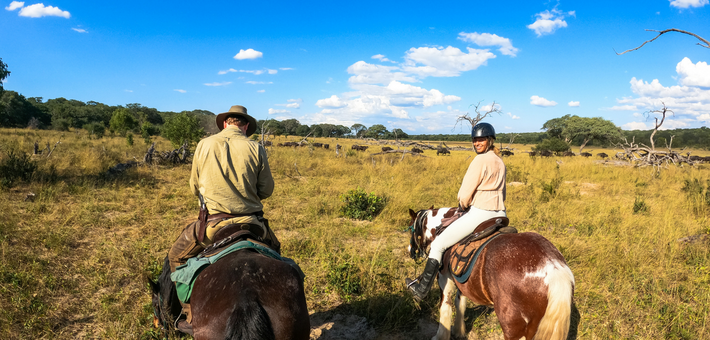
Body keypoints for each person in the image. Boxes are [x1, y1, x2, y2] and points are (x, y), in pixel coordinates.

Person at [167, 105, 279, 327]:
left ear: (226, 123)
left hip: (212, 227)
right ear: (245, 126)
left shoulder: (204, 144)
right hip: (253, 224)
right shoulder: (256, 147)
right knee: (276, 253)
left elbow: (194, 187)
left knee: (176, 257)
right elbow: (266, 190)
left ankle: (188, 314)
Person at [405, 122, 506, 301]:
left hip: (481, 213)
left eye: (481, 139)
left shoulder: (479, 160)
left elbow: (464, 194)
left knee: (438, 245)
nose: (477, 143)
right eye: (475, 140)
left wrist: (464, 204)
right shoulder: (499, 161)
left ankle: (421, 290)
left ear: (490, 140)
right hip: (500, 215)